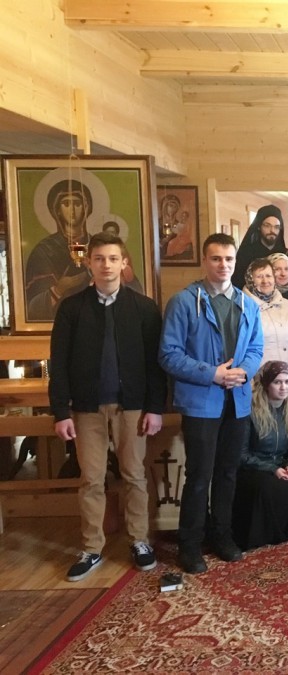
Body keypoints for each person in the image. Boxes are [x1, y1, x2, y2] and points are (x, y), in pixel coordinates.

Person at [49, 231, 167, 581]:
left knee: (134, 475)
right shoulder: (72, 308)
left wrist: (155, 408)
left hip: (132, 406)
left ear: (124, 263)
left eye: (113, 258)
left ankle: (139, 540)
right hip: (87, 408)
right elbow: (59, 363)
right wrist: (60, 412)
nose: (106, 265)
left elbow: (155, 364)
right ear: (89, 263)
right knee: (91, 479)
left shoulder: (144, 308)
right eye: (99, 259)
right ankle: (91, 547)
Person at [159, 233, 264, 574]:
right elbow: (169, 354)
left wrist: (242, 373)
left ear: (236, 262)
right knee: (199, 475)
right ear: (205, 261)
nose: (223, 265)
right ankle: (190, 545)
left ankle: (222, 535)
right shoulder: (184, 302)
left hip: (238, 400)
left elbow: (256, 349)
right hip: (201, 401)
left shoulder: (248, 304)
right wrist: (213, 374)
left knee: (228, 473)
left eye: (229, 259)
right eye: (216, 258)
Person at [232, 361, 288, 550]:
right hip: (254, 467)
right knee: (267, 487)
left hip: (282, 463)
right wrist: (272, 469)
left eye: (287, 382)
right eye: (277, 382)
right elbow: (242, 454)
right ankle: (266, 536)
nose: (283, 387)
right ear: (266, 384)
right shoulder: (250, 410)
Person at [26, 179, 93, 321]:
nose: (72, 210)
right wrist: (59, 289)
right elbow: (32, 307)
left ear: (86, 207)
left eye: (77, 204)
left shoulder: (98, 245)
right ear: (57, 209)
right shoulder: (45, 250)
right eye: (66, 204)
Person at [243, 258, 288, 374]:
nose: (265, 281)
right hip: (262, 378)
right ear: (250, 279)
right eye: (259, 277)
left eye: (268, 276)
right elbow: (243, 350)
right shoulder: (244, 308)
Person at [232, 205, 287, 288]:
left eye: (276, 227)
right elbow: (237, 282)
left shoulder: (285, 253)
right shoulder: (246, 253)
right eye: (267, 225)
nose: (272, 230)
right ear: (259, 227)